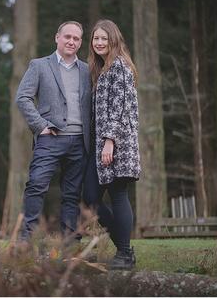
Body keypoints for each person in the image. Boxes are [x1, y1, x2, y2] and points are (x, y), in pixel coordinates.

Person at [15, 21, 92, 243]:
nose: (71, 41)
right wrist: (41, 126)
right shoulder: (39, 65)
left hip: (80, 142)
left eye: (76, 38)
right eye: (67, 36)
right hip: (51, 138)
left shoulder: (88, 70)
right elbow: (23, 97)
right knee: (37, 184)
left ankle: (70, 244)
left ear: (80, 42)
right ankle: (27, 240)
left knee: (71, 194)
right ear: (57, 38)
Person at [83, 19, 141, 270]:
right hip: (102, 145)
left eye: (104, 38)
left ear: (114, 40)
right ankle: (125, 249)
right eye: (96, 38)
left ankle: (125, 255)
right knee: (90, 197)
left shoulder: (120, 67)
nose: (99, 43)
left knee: (118, 194)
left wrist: (109, 142)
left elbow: (119, 108)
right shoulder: (101, 68)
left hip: (117, 143)